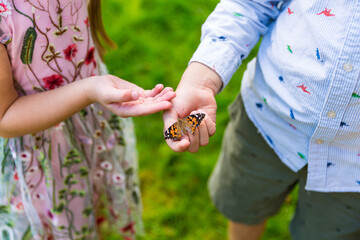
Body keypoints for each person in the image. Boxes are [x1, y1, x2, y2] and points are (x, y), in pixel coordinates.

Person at [163, 0, 360, 239]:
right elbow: (248, 5)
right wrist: (201, 81)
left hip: (352, 169)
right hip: (266, 121)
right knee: (244, 209)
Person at [0, 0, 175, 239]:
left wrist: (93, 81)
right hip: (39, 153)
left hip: (90, 124)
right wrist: (88, 90)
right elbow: (4, 117)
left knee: (90, 205)